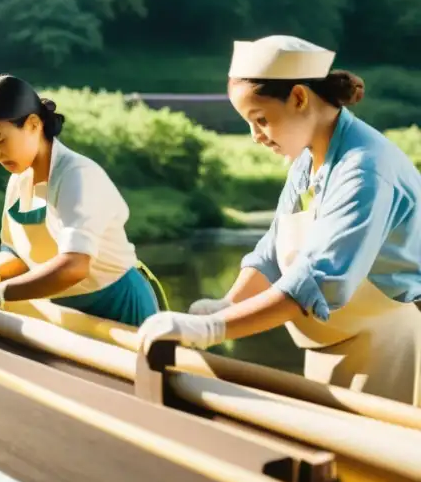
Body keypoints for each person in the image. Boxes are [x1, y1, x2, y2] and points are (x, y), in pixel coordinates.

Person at [137, 35, 421, 406]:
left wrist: (213, 329)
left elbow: (317, 281)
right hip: (331, 344)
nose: (255, 137)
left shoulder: (365, 168)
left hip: (388, 348)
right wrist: (226, 304)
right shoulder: (307, 161)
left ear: (300, 98)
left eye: (261, 120)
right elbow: (272, 254)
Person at [0, 74, 167, 329]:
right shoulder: (19, 180)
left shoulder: (77, 176)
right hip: (64, 312)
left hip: (116, 308)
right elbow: (18, 251)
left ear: (33, 124)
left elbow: (74, 266)